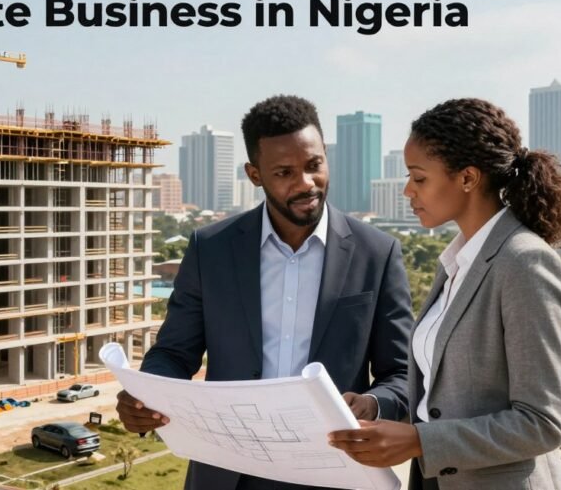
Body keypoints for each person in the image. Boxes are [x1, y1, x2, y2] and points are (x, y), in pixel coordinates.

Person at [116, 95, 414, 490]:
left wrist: (374, 403)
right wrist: (144, 396)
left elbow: (402, 373)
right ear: (254, 175)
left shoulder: (377, 253)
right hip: (225, 474)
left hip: (334, 472)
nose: (306, 183)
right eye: (285, 172)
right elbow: (173, 353)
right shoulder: (211, 249)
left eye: (314, 165)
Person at [328, 98, 561, 489]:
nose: (407, 190)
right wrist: (376, 406)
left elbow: (541, 423)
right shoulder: (456, 262)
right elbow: (444, 397)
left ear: (467, 178)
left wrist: (419, 441)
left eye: (419, 178)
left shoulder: (525, 263)